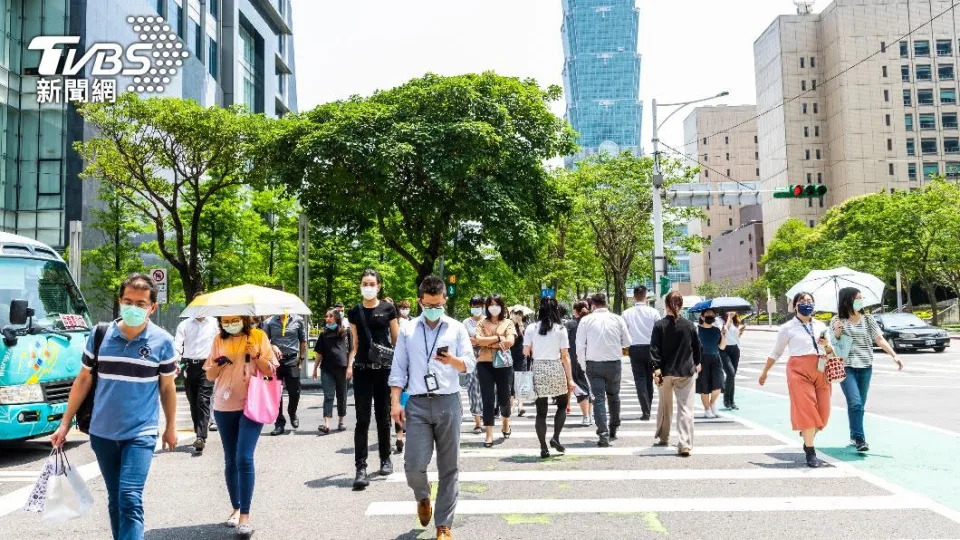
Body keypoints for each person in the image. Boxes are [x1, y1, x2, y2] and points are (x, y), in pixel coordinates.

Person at [51, 273, 178, 540]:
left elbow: (167, 388)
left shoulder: (162, 342)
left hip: (141, 433)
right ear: (120, 302)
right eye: (128, 301)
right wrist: (64, 424)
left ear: (152, 307)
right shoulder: (100, 335)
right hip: (102, 433)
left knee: (130, 497)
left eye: (141, 303)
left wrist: (171, 427)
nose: (134, 307)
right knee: (116, 498)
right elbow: (83, 379)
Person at [389, 275, 475, 540]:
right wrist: (395, 403)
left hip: (448, 402)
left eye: (438, 304)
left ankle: (443, 525)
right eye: (428, 305)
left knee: (449, 466)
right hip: (417, 403)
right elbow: (399, 368)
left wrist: (453, 360)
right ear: (420, 301)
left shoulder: (456, 328)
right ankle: (422, 495)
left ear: (444, 301)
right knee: (414, 464)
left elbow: (469, 364)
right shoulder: (408, 329)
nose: (433, 309)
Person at [204, 314, 276, 536]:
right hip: (225, 405)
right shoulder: (219, 340)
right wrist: (218, 363)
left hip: (252, 404)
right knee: (230, 459)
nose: (230, 323)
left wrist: (255, 354)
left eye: (234, 319)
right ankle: (235, 507)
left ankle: (245, 514)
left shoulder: (258, 336)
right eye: (226, 320)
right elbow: (209, 375)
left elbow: (270, 370)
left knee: (243, 457)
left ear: (244, 319)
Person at [760, 292, 835, 468]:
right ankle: (811, 452)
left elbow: (830, 352)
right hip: (798, 372)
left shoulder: (821, 326)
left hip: (821, 369)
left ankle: (807, 435)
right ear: (795, 305)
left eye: (809, 301)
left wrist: (828, 345)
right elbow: (776, 352)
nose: (806, 304)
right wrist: (765, 372)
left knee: (823, 415)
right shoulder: (787, 328)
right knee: (807, 410)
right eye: (802, 301)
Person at [831, 287, 903, 452]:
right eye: (857, 298)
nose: (860, 301)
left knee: (859, 405)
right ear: (847, 300)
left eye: (861, 298)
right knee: (855, 402)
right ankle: (859, 439)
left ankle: (853, 434)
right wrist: (836, 332)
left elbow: (879, 339)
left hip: (865, 367)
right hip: (846, 367)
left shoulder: (868, 319)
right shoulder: (837, 320)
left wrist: (894, 355)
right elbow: (833, 345)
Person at [347, 269, 400, 488]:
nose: (367, 286)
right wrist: (350, 365)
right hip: (362, 369)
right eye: (364, 283)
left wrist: (401, 370)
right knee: (362, 419)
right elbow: (355, 344)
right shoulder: (354, 312)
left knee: (383, 417)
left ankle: (385, 458)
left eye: (371, 283)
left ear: (379, 286)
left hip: (384, 369)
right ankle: (361, 467)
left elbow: (397, 342)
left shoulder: (388, 309)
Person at [650, 291, 702, 456]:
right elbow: (697, 348)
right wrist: (697, 363)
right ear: (681, 305)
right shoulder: (689, 325)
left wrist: (656, 369)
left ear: (666, 305)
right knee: (686, 408)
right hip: (685, 371)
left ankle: (663, 437)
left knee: (665, 405)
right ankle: (685, 443)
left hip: (665, 372)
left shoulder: (659, 326)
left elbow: (654, 349)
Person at [575, 292, 630, 447]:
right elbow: (627, 342)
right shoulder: (617, 319)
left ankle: (603, 434)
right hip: (614, 363)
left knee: (598, 398)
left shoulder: (586, 321)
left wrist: (583, 365)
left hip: (593, 363)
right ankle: (614, 427)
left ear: (592, 305)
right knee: (614, 396)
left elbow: (580, 346)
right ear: (607, 303)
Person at [524, 297, 575, 458]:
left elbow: (525, 352)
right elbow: (565, 356)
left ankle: (543, 447)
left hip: (538, 368)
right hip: (555, 367)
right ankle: (556, 437)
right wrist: (570, 378)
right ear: (556, 310)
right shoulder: (560, 329)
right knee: (562, 405)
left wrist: (534, 348)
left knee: (541, 412)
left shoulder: (531, 328)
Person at [474, 294, 517, 447]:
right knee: (487, 398)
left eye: (496, 304)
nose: (494, 307)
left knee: (504, 397)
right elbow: (478, 340)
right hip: (484, 363)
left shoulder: (508, 322)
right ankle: (489, 434)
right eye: (491, 304)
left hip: (504, 364)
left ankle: (506, 421)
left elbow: (510, 341)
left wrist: (489, 343)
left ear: (501, 306)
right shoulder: (481, 323)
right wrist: (499, 339)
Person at [174, 315, 218, 454]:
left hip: (207, 366)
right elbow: (177, 345)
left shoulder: (214, 323)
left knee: (203, 400)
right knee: (193, 402)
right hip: (190, 366)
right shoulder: (185, 324)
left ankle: (201, 437)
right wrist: (176, 362)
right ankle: (198, 432)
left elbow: (220, 342)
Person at [264, 312, 307, 436]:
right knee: (276, 393)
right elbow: (264, 341)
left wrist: (301, 360)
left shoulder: (298, 320)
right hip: (275, 361)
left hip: (292, 359)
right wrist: (272, 346)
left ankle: (292, 412)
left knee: (295, 391)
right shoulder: (269, 322)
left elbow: (303, 341)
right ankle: (279, 423)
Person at [622, 286, 661, 420]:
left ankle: (645, 410)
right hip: (651, 348)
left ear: (634, 297)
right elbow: (659, 331)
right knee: (650, 378)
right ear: (646, 297)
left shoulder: (626, 313)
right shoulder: (654, 312)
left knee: (639, 379)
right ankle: (648, 406)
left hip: (635, 348)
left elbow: (624, 332)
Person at [312, 309, 351, 434]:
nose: (327, 318)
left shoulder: (346, 332)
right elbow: (319, 353)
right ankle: (327, 424)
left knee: (342, 395)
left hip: (343, 368)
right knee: (328, 395)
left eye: (330, 316)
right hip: (327, 369)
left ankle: (341, 421)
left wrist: (350, 366)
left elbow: (352, 351)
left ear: (337, 318)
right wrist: (314, 369)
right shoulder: (323, 334)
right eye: (326, 316)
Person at [566, 300, 593, 426]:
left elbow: (564, 344)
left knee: (580, 387)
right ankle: (590, 415)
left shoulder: (570, 325)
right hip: (592, 359)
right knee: (590, 386)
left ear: (575, 311)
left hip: (575, 360)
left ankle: (586, 416)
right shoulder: (592, 323)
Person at [462, 296, 486, 434]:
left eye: (479, 305)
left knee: (487, 388)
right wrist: (480, 340)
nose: (476, 308)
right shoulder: (465, 322)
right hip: (471, 357)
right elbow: (465, 340)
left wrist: (479, 341)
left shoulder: (487, 321)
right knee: (473, 388)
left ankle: (486, 415)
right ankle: (477, 421)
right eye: (474, 305)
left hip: (487, 356)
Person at [696, 308, 727, 418]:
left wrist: (724, 335)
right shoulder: (697, 330)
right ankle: (706, 409)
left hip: (715, 359)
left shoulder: (716, 330)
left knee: (718, 386)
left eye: (712, 315)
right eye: (708, 314)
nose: (710, 316)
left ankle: (712, 403)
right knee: (704, 387)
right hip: (702, 360)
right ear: (702, 317)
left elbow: (722, 347)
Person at [718, 313, 745, 410]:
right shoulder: (719, 320)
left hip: (735, 349)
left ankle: (732, 401)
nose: (733, 312)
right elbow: (724, 331)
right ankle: (726, 400)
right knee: (730, 373)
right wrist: (729, 318)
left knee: (732, 376)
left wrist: (740, 333)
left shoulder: (735, 321)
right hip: (724, 349)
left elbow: (734, 337)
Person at [510, 309, 529, 417]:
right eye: (516, 314)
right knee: (510, 380)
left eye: (520, 314)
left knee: (522, 380)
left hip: (521, 356)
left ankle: (520, 406)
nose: (517, 316)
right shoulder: (508, 324)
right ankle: (511, 404)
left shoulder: (525, 326)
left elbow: (526, 338)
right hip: (509, 356)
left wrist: (521, 325)